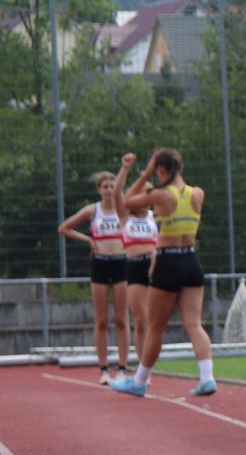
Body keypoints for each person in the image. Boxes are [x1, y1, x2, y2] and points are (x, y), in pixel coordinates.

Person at [111, 148, 217, 398]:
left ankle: (139, 381)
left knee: (156, 328)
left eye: (156, 171)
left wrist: (144, 173)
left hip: (168, 261)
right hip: (191, 259)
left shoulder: (160, 195)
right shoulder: (197, 193)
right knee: (194, 323)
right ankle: (207, 377)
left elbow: (127, 200)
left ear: (160, 170)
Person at [57, 171, 129, 381]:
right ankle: (104, 369)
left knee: (122, 319)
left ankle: (123, 368)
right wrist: (88, 239)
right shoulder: (93, 210)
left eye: (112, 187)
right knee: (101, 320)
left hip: (120, 262)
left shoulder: (124, 208)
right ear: (99, 190)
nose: (109, 191)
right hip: (100, 264)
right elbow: (63, 228)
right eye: (105, 187)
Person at [119, 167, 158, 360]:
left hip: (153, 265)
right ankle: (142, 366)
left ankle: (149, 363)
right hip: (134, 265)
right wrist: (143, 177)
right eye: (142, 194)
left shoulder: (154, 216)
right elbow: (124, 195)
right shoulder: (125, 215)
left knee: (153, 319)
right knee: (140, 319)